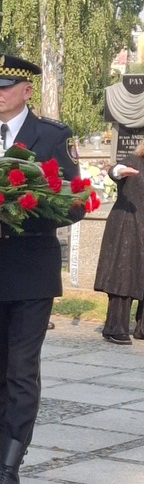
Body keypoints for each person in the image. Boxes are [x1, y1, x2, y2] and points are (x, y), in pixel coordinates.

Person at [0, 54, 83, 484]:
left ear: (26, 90)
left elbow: (77, 201)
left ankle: (9, 470)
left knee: (20, 370)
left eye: (5, 86)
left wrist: (32, 200)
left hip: (30, 271)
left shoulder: (52, 136)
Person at [94, 145, 144, 344]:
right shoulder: (133, 160)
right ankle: (115, 326)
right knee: (123, 274)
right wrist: (118, 171)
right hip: (127, 223)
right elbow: (114, 171)